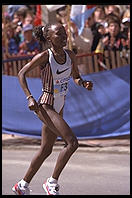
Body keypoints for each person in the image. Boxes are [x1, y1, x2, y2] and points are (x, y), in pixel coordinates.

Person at [12, 23, 93, 195]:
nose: (64, 36)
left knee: (46, 149)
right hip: (46, 106)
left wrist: (83, 83)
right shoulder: (44, 56)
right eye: (59, 34)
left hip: (60, 104)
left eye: (64, 33)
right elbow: (21, 74)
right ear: (49, 38)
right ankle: (51, 182)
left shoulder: (70, 55)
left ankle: (22, 185)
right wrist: (29, 97)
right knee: (72, 143)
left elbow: (76, 76)